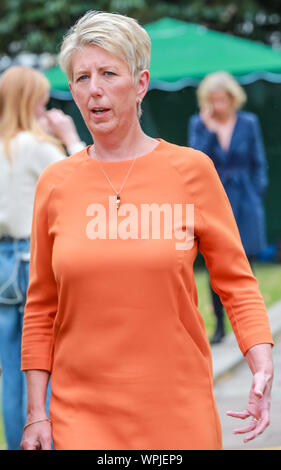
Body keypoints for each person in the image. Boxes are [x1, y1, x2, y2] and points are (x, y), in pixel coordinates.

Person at [20, 11, 273, 451]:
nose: (93, 88)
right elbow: (41, 305)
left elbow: (236, 280)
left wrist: (262, 360)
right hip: (80, 416)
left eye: (108, 73)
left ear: (139, 84)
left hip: (177, 410)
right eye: (81, 77)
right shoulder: (55, 183)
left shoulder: (191, 170)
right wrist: (35, 414)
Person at [0, 65, 84, 450]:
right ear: (31, 100)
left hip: (3, 261)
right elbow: (84, 179)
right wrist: (68, 136)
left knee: (12, 373)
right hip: (30, 259)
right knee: (41, 364)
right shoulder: (37, 147)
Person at [188, 71, 268, 344]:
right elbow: (194, 161)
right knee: (214, 264)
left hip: (246, 199)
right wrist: (208, 130)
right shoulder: (199, 123)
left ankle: (253, 328)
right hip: (214, 199)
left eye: (223, 100)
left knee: (247, 264)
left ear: (232, 98)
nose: (219, 106)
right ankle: (220, 326)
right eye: (214, 101)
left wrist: (257, 193)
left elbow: (259, 161)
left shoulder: (248, 122)